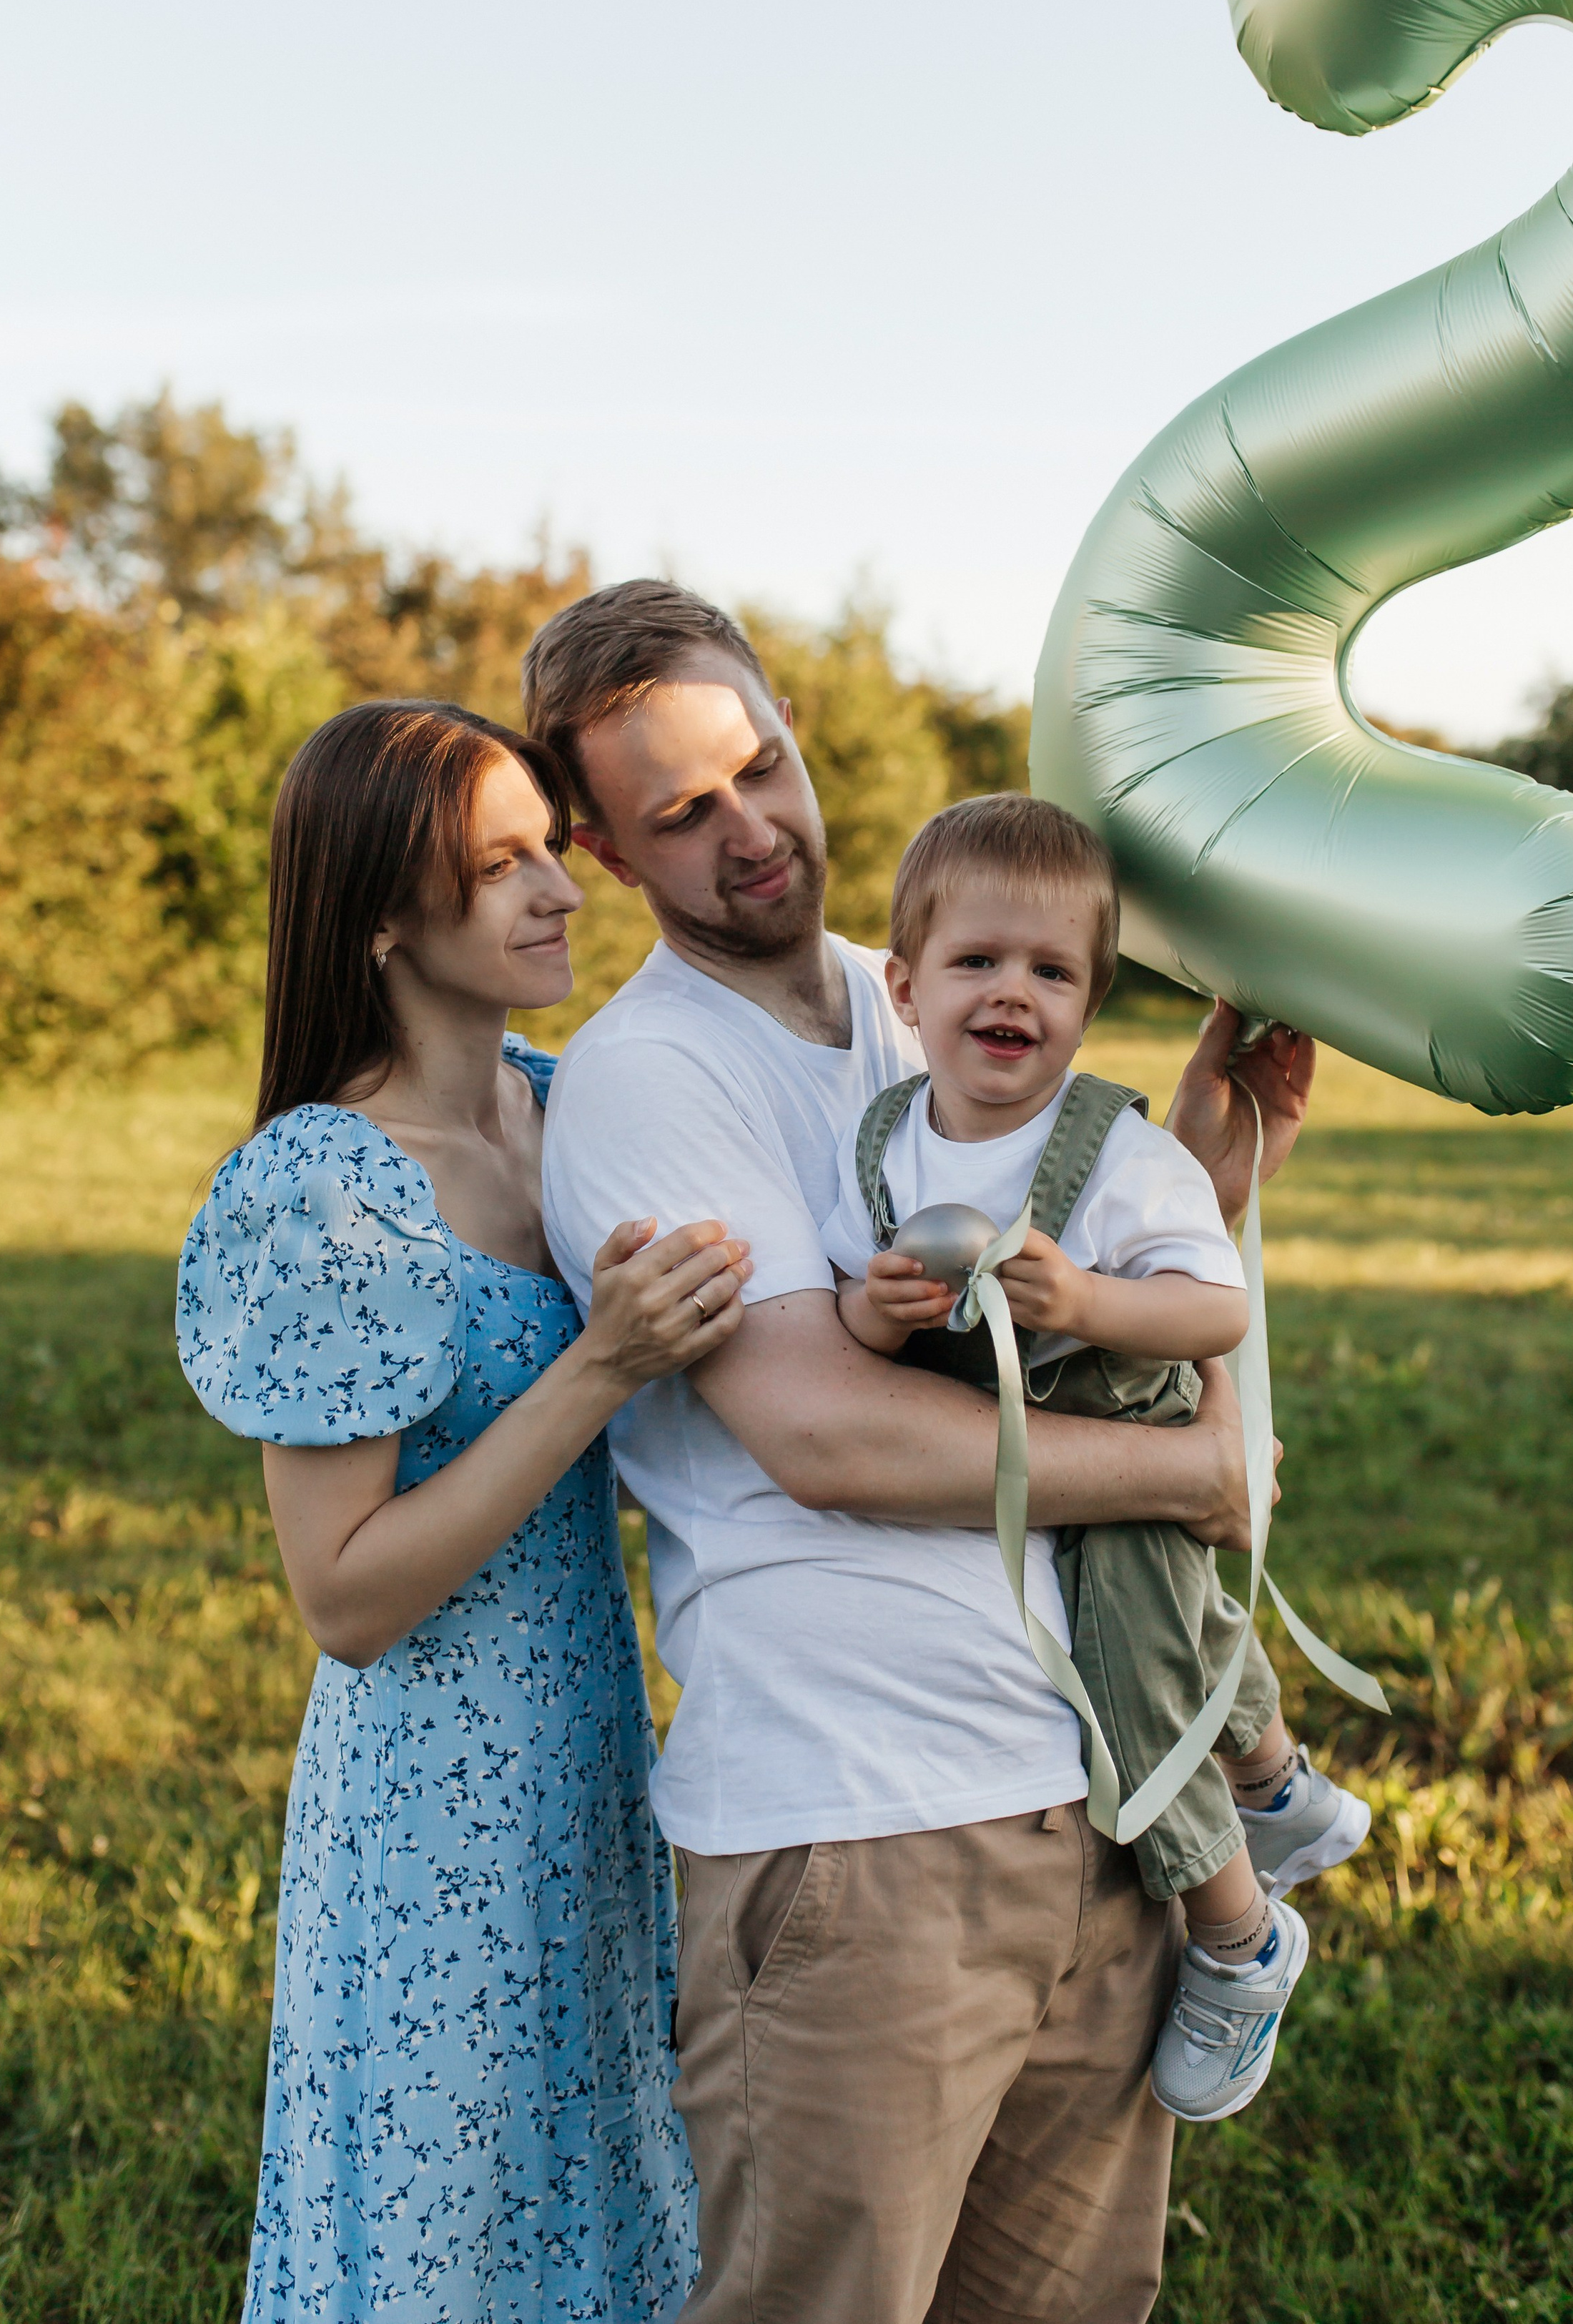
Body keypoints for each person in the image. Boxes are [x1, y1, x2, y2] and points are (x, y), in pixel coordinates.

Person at [526, 581, 1318, 2324]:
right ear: (596, 847)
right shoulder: (649, 1079)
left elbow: (1067, 1284)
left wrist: (1204, 1156)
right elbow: (823, 1429)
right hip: (860, 1845)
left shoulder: (928, 993)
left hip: (1092, 1795)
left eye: (761, 766)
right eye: (679, 813)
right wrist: (1187, 1477)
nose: (751, 831)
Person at [174, 698, 753, 2324]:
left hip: (592, 1752)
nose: (557, 890)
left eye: (545, 848)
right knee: (447, 2228)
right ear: (376, 918)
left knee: (600, 2201)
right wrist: (594, 1365)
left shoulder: (562, 1104)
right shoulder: (324, 1185)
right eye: (492, 868)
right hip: (428, 1803)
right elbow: (345, 1599)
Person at [824, 791, 1370, 2132]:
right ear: (906, 985)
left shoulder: (1119, 1153)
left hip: (1122, 1451)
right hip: (1017, 1467)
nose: (1014, 992)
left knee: (1134, 1676)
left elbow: (1211, 1310)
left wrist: (1089, 1303)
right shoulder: (887, 1144)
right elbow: (849, 1303)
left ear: (1091, 999)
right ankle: (1276, 1786)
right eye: (978, 962)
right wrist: (869, 1313)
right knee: (1172, 1643)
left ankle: (1239, 1936)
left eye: (1053, 971)